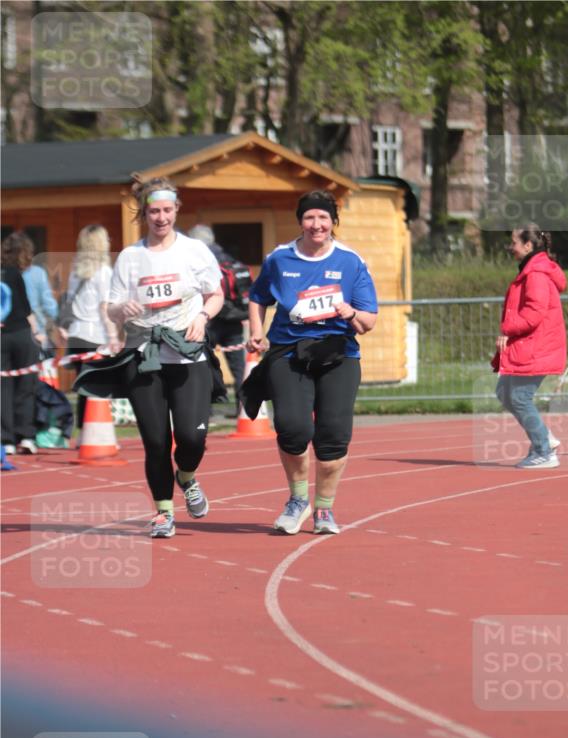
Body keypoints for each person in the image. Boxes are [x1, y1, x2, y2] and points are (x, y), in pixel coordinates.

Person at [247, 189, 378, 535]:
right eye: (309, 217)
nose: (316, 224)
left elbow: (368, 321)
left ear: (333, 222)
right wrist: (257, 331)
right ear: (300, 221)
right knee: (293, 428)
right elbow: (258, 297)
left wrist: (350, 313)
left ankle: (324, 508)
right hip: (289, 353)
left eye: (323, 218)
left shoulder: (350, 261)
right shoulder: (279, 259)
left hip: (338, 354)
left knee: (333, 436)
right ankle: (297, 500)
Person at [105, 176, 224, 539]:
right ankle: (163, 512)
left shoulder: (194, 251)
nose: (161, 218)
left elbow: (215, 294)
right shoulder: (130, 257)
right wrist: (121, 310)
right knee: (156, 441)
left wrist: (202, 317)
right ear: (144, 214)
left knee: (191, 437)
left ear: (176, 210)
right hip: (144, 357)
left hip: (187, 356)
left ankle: (186, 476)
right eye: (154, 211)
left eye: (167, 210)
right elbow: (111, 308)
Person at [495, 224, 566, 469]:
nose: (510, 247)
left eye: (513, 243)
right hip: (531, 344)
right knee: (504, 391)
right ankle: (544, 439)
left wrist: (507, 329)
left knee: (518, 397)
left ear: (528, 245)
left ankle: (544, 451)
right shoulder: (531, 271)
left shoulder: (535, 274)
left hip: (538, 346)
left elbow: (534, 314)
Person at [188, 224, 251, 416]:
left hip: (209, 320)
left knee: (203, 366)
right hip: (234, 321)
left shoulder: (199, 258)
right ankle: (243, 409)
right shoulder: (229, 258)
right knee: (239, 368)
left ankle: (205, 411)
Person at [63, 225, 119, 431]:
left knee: (84, 388)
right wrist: (113, 336)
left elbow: (70, 302)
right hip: (95, 335)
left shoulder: (75, 272)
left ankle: (84, 433)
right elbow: (105, 308)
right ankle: (97, 433)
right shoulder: (104, 272)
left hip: (77, 334)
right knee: (98, 388)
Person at [0, 244, 39, 455]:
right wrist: (37, 334)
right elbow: (25, 307)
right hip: (21, 332)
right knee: (26, 385)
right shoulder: (14, 273)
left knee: (3, 388)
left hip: (2, 336)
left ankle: (6, 439)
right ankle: (26, 436)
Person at [2, 231, 59, 351]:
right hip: (35, 334)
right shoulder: (37, 273)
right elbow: (50, 306)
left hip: (5, 332)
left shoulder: (3, 274)